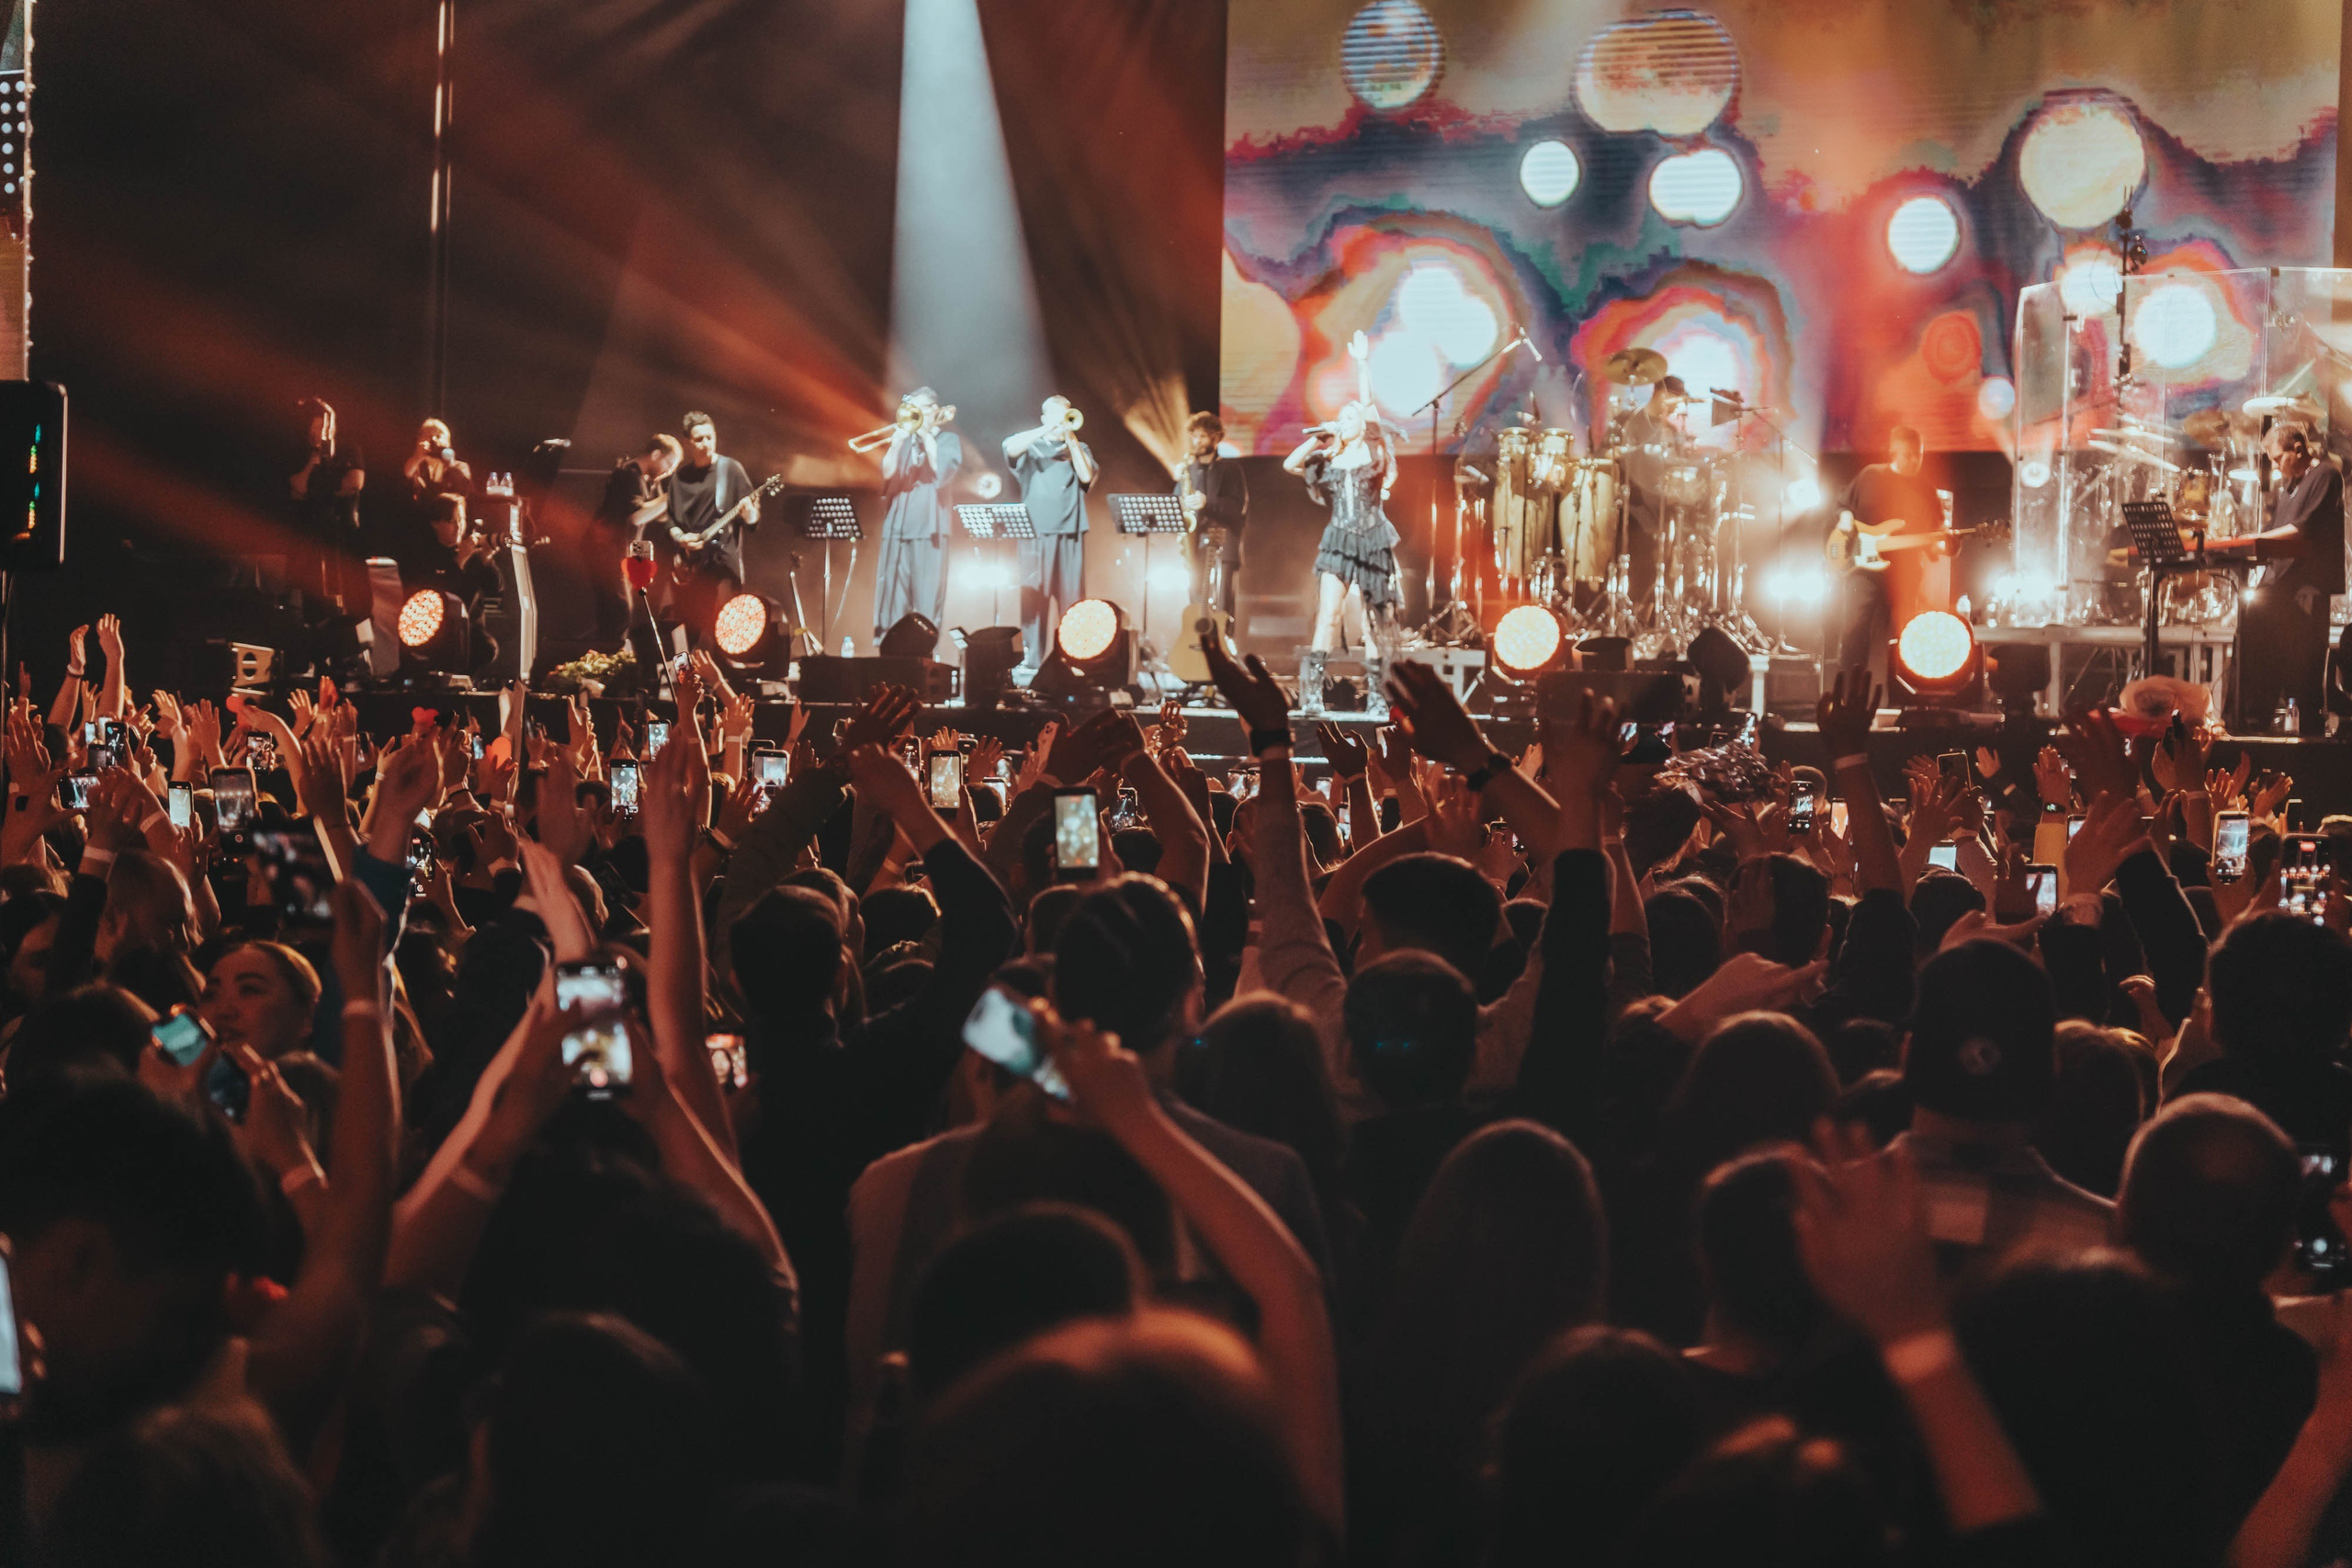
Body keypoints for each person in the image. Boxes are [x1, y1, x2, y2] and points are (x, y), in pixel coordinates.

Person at [1282, 331, 1400, 718]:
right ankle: (1312, 695)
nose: (1347, 420)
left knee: (1370, 623)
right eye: (1343, 417)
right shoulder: (1330, 461)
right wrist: (1321, 437)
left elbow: (1367, 405)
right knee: (1328, 615)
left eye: (1350, 418)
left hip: (1371, 537)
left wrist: (1363, 364)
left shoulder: (1370, 449)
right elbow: (1290, 465)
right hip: (1338, 541)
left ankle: (1378, 697)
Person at [2211, 423, 2344, 732]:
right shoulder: (2288, 489)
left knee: (2303, 674)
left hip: (2305, 591)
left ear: (2298, 449)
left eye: (2277, 458)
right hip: (2281, 589)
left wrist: (2255, 540)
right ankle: (2243, 724)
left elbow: (2302, 530)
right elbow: (2278, 534)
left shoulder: (2325, 476)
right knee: (2250, 642)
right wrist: (2247, 540)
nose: (2274, 466)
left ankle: (2302, 744)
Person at [1833, 424, 1948, 680]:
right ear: (1893, 452)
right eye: (1908, 455)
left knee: (1904, 633)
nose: (1915, 461)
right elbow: (1843, 505)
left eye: (1919, 455)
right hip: (1862, 569)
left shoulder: (1927, 491)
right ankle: (1850, 694)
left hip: (1905, 575)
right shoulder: (1870, 476)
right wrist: (1844, 519)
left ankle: (1903, 694)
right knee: (1853, 629)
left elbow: (1936, 536)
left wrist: (1946, 544)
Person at [1003, 395, 1097, 669]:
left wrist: (1070, 438)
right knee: (1034, 601)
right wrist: (1049, 429)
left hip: (1070, 533)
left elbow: (1086, 476)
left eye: (1065, 415)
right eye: (1055, 416)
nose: (1060, 421)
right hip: (1035, 533)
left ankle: (1076, 660)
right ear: (1044, 418)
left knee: (1073, 602)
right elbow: (1010, 448)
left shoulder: (1080, 448)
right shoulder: (1032, 446)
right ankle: (1032, 663)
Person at [658, 412, 763, 649]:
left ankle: (721, 681)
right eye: (698, 440)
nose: (705, 444)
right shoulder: (680, 478)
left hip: (723, 565)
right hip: (689, 568)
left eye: (709, 438)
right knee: (685, 634)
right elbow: (669, 522)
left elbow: (752, 518)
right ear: (688, 442)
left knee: (725, 630)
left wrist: (749, 513)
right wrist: (681, 538)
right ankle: (681, 682)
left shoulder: (731, 470)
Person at [873, 389, 962, 651]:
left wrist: (925, 435)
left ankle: (924, 660)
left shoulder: (948, 440)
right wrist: (897, 442)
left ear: (935, 410)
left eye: (923, 407)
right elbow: (887, 473)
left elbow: (941, 469)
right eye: (914, 408)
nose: (918, 413)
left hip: (930, 530)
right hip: (897, 529)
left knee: (926, 601)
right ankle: (890, 658)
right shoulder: (904, 441)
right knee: (892, 601)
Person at [588, 433, 683, 649]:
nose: (669, 471)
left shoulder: (642, 480)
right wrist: (669, 497)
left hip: (613, 552)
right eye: (669, 463)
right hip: (606, 552)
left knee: (616, 615)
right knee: (619, 614)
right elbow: (637, 515)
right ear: (656, 454)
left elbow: (657, 514)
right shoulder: (629, 475)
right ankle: (611, 666)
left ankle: (608, 663)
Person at [287, 398, 364, 614]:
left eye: (323, 426)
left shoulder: (348, 447)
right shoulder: (299, 451)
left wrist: (319, 491)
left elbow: (355, 483)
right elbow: (299, 486)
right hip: (307, 532)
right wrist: (314, 461)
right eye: (315, 426)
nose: (319, 432)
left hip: (343, 532)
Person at [1179, 411, 1247, 617]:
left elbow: (1238, 507)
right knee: (1195, 600)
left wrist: (1207, 502)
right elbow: (1178, 504)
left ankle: (1223, 642)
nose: (1196, 441)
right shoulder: (1188, 470)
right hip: (1195, 543)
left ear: (1215, 437)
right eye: (1193, 436)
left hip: (1224, 542)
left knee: (1223, 602)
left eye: (1201, 436)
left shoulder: (1230, 468)